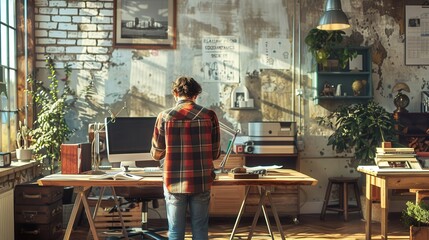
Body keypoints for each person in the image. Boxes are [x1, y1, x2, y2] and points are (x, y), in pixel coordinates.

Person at [151, 76, 221, 240]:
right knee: (200, 228)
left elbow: (156, 154)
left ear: (175, 93)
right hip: (201, 181)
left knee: (175, 230)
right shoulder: (209, 116)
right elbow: (215, 154)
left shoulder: (165, 116)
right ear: (196, 95)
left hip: (174, 182)